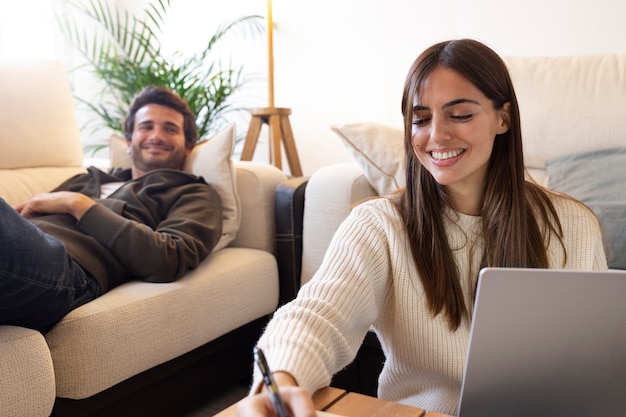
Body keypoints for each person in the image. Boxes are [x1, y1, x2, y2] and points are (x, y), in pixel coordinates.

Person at [236, 39, 608, 416]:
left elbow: (600, 354)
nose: (436, 135)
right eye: (421, 119)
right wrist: (281, 378)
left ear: (504, 118)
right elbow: (317, 315)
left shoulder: (573, 225)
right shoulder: (379, 225)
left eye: (460, 114)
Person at [0, 86, 223, 334]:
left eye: (170, 129)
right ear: (129, 141)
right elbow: (23, 212)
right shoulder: (87, 179)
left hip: (69, 268)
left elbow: (169, 259)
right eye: (146, 126)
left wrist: (79, 205)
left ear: (189, 145)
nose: (156, 136)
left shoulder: (192, 192)